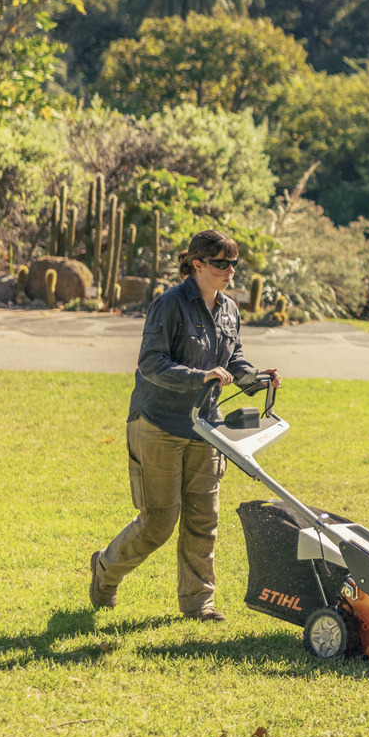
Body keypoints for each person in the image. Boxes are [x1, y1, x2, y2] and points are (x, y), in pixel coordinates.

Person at [88, 228, 279, 620]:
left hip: (207, 427)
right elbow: (151, 363)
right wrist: (199, 376)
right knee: (158, 523)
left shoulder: (229, 309)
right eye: (221, 263)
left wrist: (255, 378)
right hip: (158, 422)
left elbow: (234, 357)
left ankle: (198, 605)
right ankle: (106, 570)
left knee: (203, 520)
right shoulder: (169, 306)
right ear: (197, 264)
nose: (229, 271)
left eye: (234, 264)